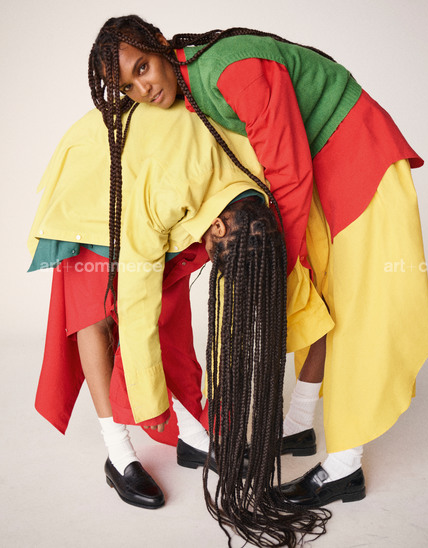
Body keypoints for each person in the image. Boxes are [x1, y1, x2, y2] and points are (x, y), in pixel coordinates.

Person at [88, 15, 428, 508]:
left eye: (142, 67)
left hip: (358, 155)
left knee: (357, 308)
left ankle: (345, 468)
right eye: (127, 86)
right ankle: (298, 426)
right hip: (325, 163)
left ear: (161, 44)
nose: (142, 89)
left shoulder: (233, 71)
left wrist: (279, 264)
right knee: (320, 295)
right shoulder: (188, 86)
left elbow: (288, 173)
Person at [29, 100, 332, 546]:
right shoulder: (166, 194)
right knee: (94, 313)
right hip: (93, 182)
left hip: (149, 176)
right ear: (218, 229)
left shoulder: (256, 190)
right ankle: (118, 453)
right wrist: (148, 399)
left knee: (168, 309)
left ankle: (192, 435)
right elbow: (135, 309)